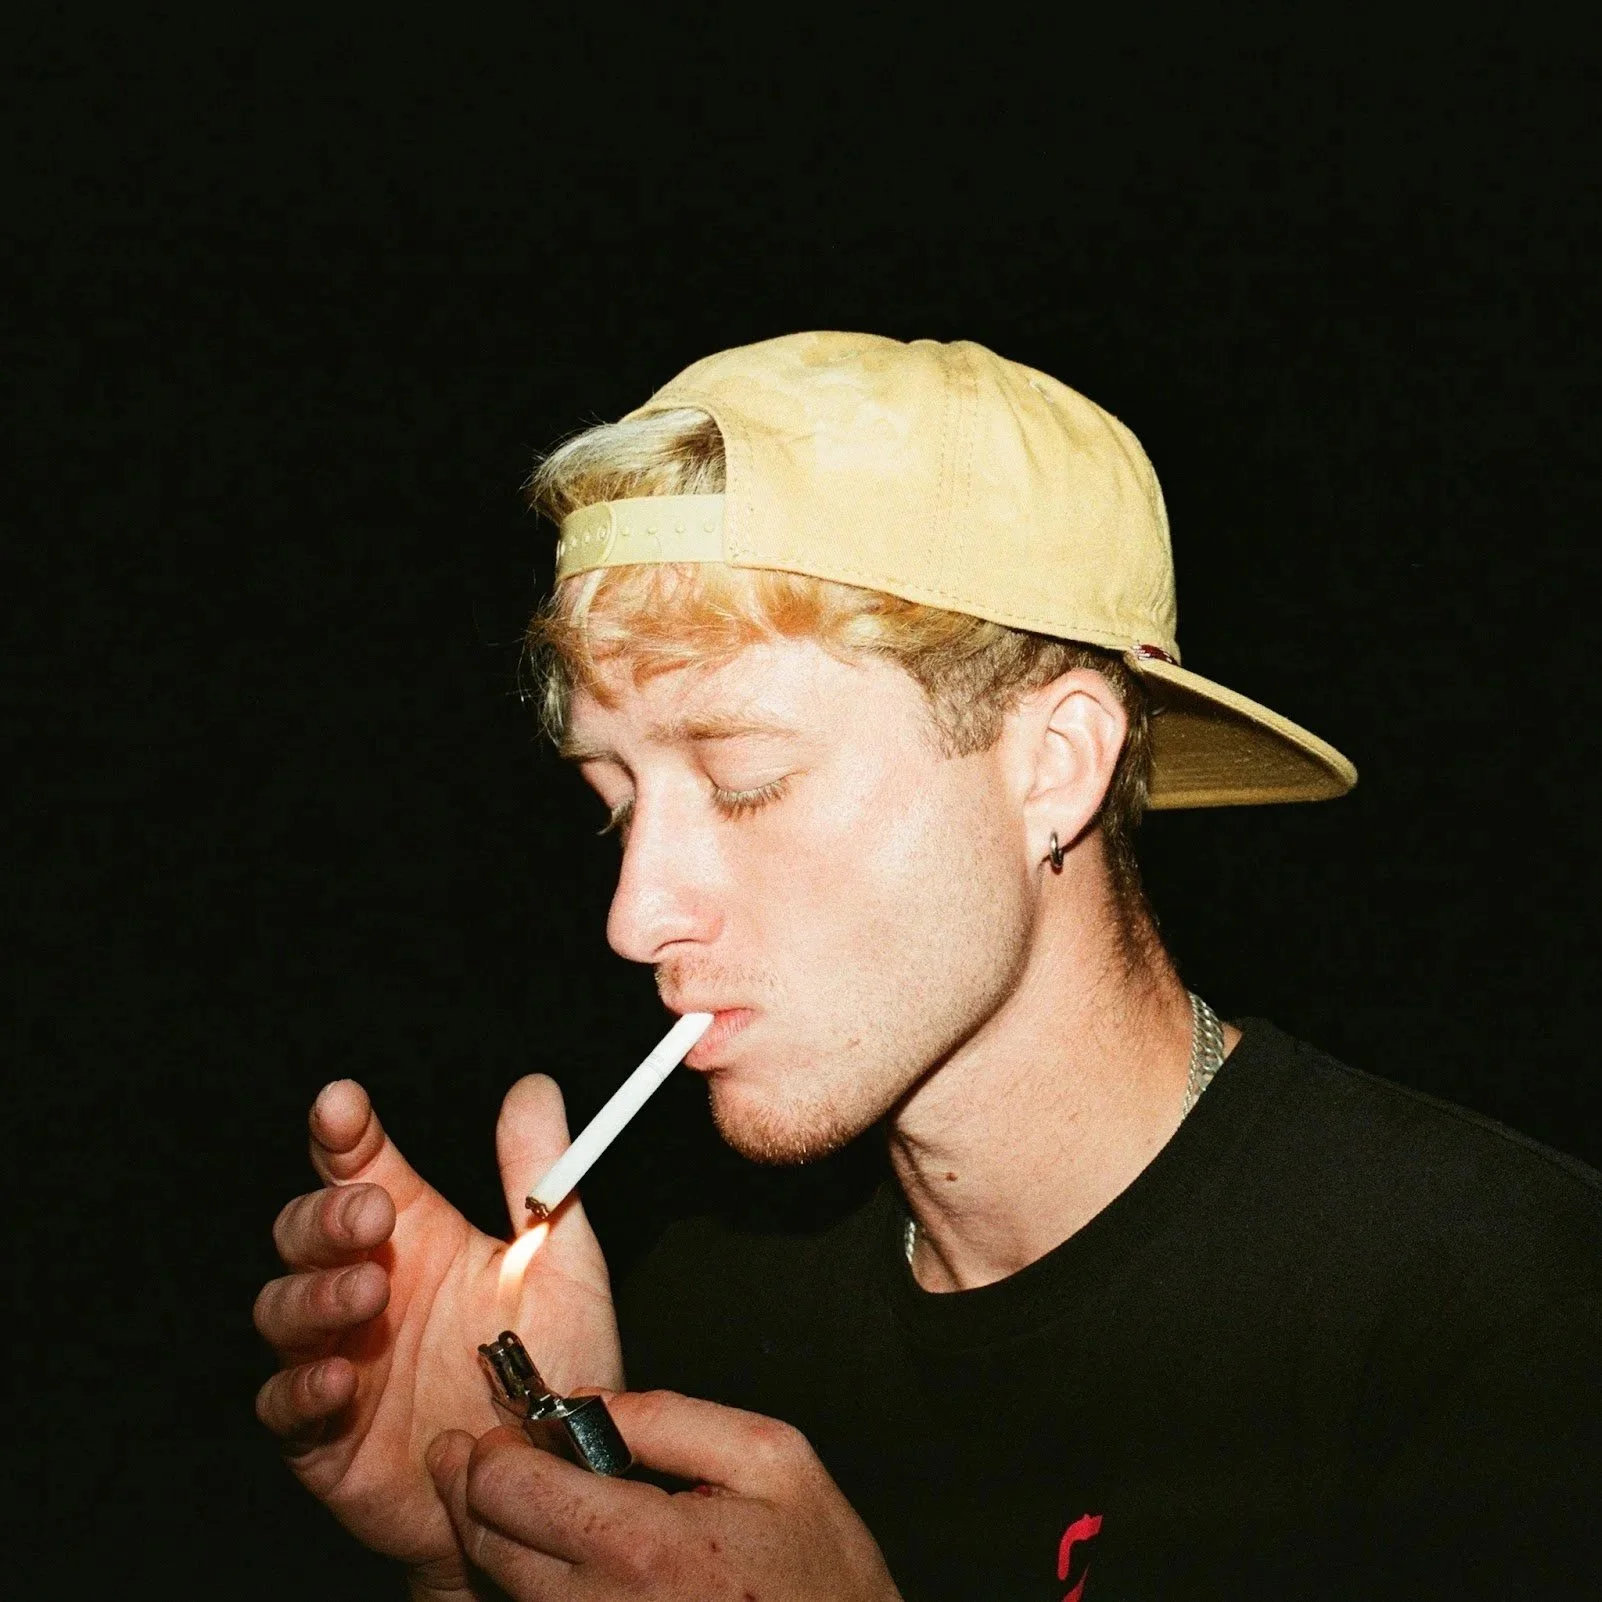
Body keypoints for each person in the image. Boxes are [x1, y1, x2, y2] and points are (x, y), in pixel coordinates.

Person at [254, 333, 1601, 1601]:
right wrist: (480, 1541)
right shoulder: (703, 1326)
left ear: (1053, 764)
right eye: (615, 799)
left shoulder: (1498, 1321)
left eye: (744, 782)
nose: (634, 911)